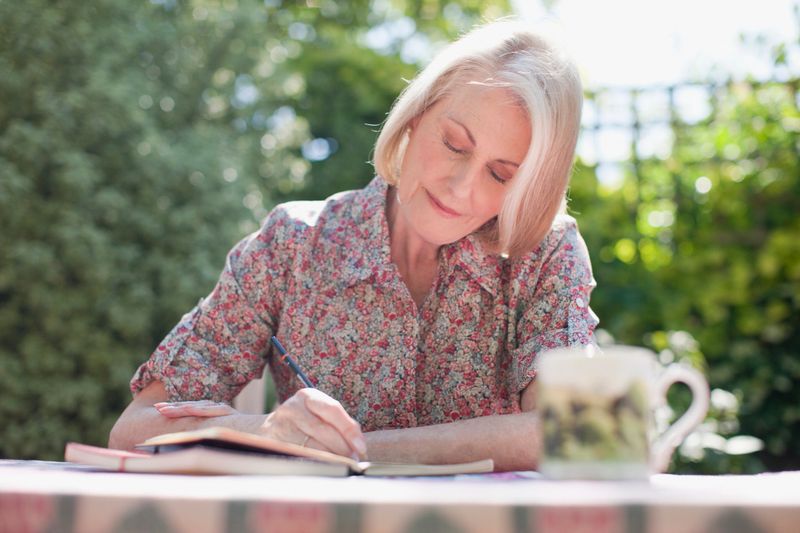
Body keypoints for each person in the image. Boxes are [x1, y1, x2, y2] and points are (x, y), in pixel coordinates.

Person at [109, 19, 598, 472]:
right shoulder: (292, 245)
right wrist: (262, 430)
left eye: (499, 174)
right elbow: (134, 430)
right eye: (454, 144)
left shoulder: (546, 256)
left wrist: (348, 449)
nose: (461, 187)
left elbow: (570, 431)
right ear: (414, 119)